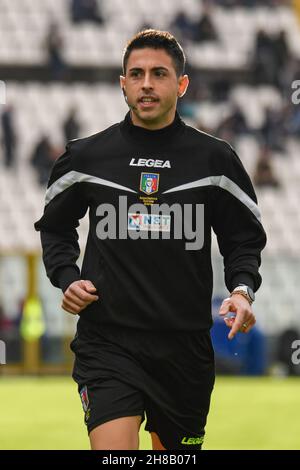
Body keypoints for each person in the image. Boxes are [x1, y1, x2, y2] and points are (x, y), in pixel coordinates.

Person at [34, 29, 267, 450]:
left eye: (159, 73)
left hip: (185, 347)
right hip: (108, 340)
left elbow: (244, 239)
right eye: (136, 74)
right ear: (122, 82)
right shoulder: (86, 157)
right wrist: (66, 276)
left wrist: (242, 289)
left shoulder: (216, 160)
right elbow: (53, 227)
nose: (146, 84)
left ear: (181, 84)